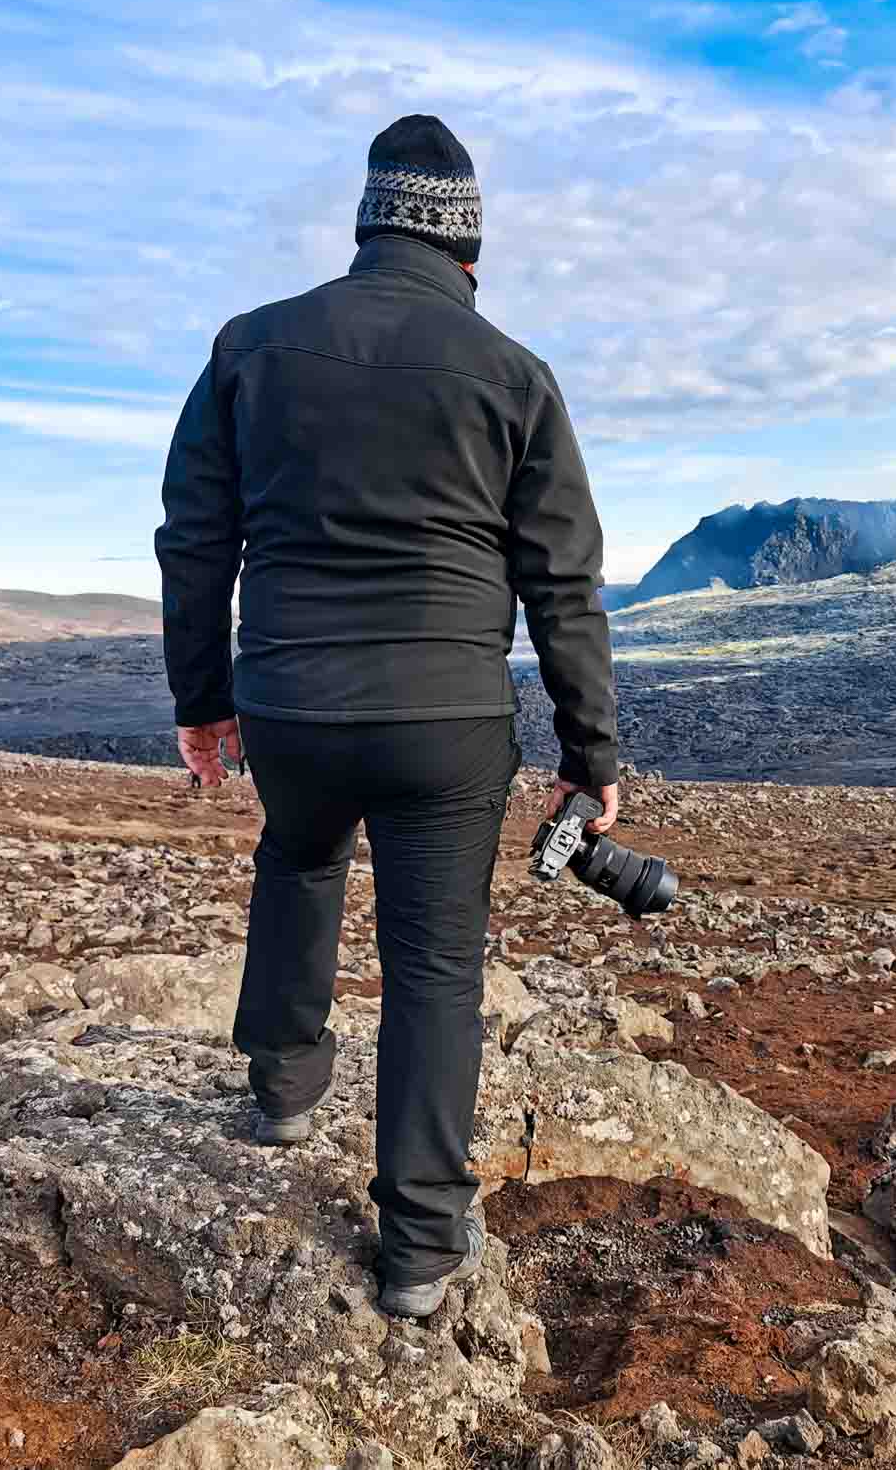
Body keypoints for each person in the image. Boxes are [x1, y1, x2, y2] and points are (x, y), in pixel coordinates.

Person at [153, 114, 619, 1320]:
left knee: (299, 856)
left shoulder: (250, 348)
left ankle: (283, 1085)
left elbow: (197, 539)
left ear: (367, 226)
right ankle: (417, 1243)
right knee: (434, 962)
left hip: (292, 700)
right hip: (448, 717)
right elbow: (561, 576)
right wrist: (590, 757)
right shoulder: (511, 373)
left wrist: (202, 699)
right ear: (469, 253)